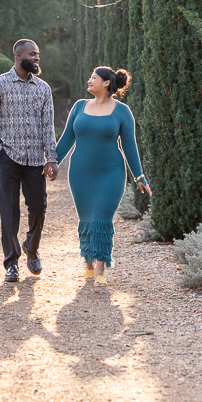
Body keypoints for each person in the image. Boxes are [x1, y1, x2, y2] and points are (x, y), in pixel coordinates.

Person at [56, 66, 151, 287]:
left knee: (102, 217)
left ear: (106, 83)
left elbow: (129, 147)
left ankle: (100, 270)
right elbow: (66, 139)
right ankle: (88, 263)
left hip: (110, 173)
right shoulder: (79, 106)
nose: (89, 80)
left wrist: (139, 176)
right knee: (86, 218)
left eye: (93, 78)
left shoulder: (122, 111)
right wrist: (52, 163)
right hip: (80, 173)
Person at [0, 39, 59, 283]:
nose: (37, 58)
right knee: (9, 211)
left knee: (38, 207)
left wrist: (51, 158)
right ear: (18, 55)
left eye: (38, 54)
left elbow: (47, 126)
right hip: (8, 158)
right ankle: (11, 263)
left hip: (35, 159)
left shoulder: (43, 88)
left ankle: (31, 248)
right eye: (32, 54)